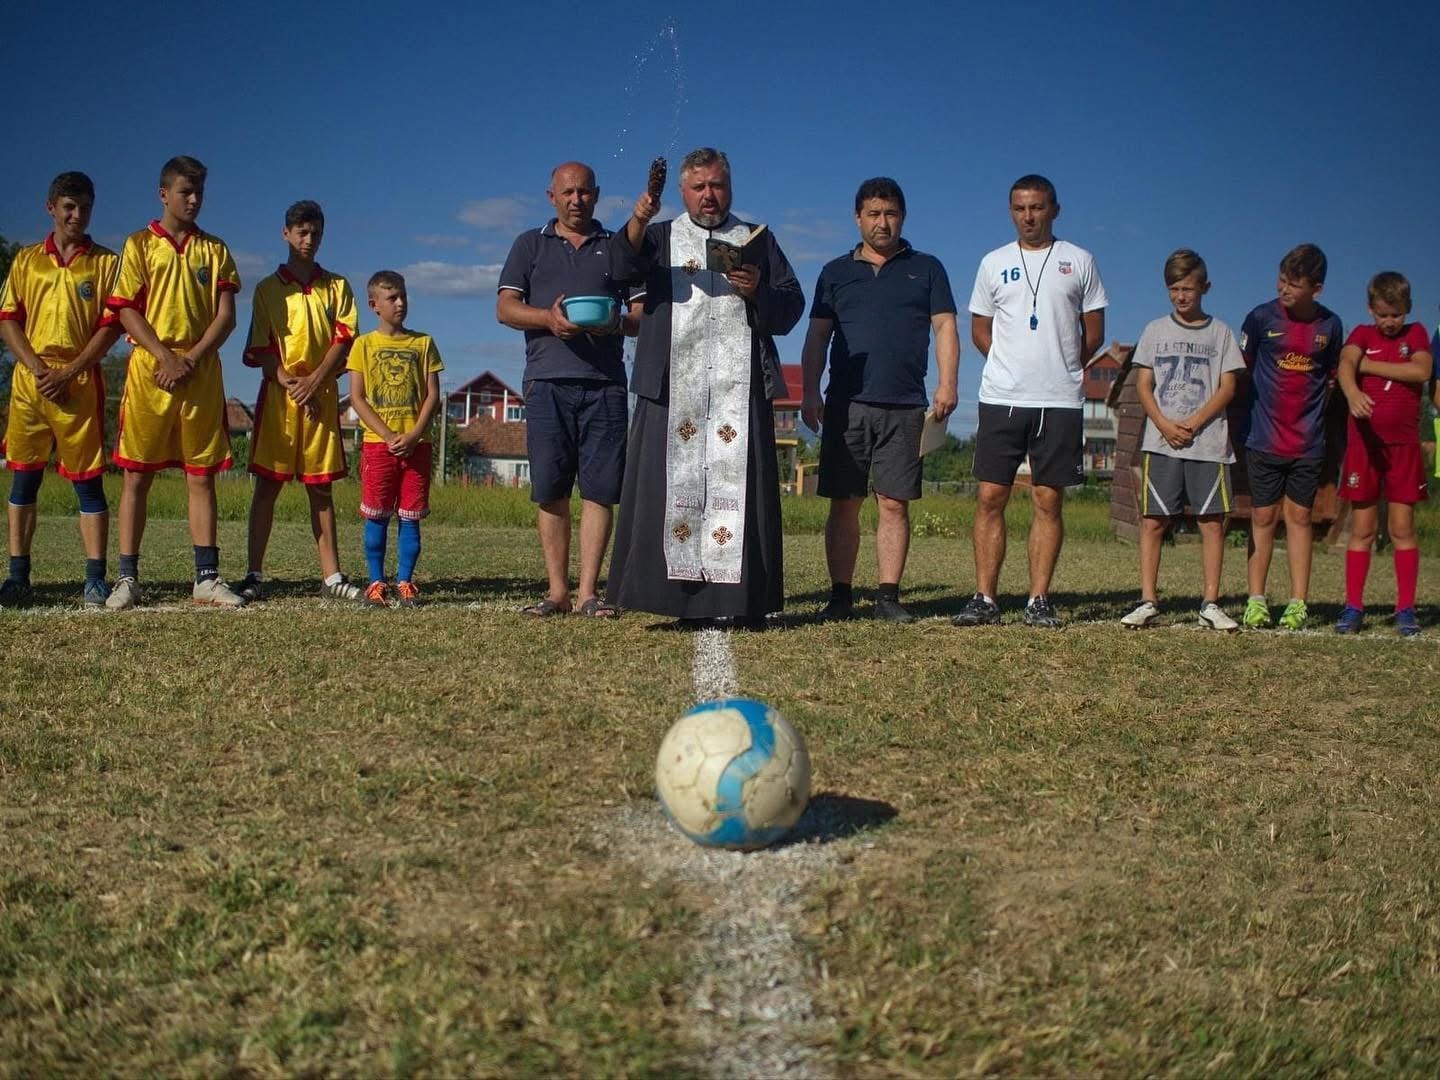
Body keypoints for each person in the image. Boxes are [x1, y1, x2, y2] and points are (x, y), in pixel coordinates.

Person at [608, 147, 805, 627]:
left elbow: (792, 305)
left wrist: (757, 288)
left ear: (730, 186)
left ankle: (737, 603)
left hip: (739, 391)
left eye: (716, 185)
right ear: (683, 191)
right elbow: (617, 268)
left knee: (738, 490)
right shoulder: (658, 236)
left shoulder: (756, 239)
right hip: (673, 390)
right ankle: (674, 598)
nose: (708, 196)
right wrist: (638, 216)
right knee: (668, 490)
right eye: (699, 188)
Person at [800, 177, 959, 623]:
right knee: (844, 501)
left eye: (890, 213)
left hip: (906, 404)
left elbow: (944, 326)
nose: (882, 222)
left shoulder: (927, 268)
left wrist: (948, 383)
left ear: (902, 217)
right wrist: (810, 389)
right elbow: (817, 336)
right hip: (847, 404)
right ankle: (841, 595)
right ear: (858, 218)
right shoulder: (834, 272)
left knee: (893, 502)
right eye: (873, 214)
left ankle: (888, 596)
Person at [953, 174, 1107, 628]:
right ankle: (984, 597)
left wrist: (1064, 368)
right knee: (990, 496)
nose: (1029, 216)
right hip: (1002, 397)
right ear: (1010, 211)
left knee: (1047, 499)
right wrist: (1009, 363)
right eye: (1020, 208)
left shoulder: (1079, 260)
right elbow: (980, 329)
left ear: (1054, 209)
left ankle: (1038, 600)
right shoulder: (992, 262)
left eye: (1037, 207)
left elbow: (1094, 332)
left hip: (1059, 400)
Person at [104, 155, 245, 609]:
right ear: (163, 194)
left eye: (200, 192)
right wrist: (165, 356)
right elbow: (126, 307)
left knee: (201, 476)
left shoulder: (215, 249)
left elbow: (226, 316)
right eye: (186, 191)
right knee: (136, 476)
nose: (194, 200)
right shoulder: (139, 245)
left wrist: (191, 358)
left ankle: (206, 577)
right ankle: (127, 578)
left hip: (200, 373)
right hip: (151, 373)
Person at [497, 162, 634, 618]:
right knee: (551, 490)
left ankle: (588, 593)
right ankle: (556, 592)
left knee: (600, 491)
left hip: (605, 386)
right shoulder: (530, 244)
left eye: (585, 192)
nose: (577, 200)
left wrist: (615, 320)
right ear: (551, 196)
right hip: (546, 382)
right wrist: (548, 320)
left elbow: (642, 314)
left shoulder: (618, 247)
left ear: (597, 195)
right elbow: (505, 307)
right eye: (568, 192)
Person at [0, 171, 122, 607]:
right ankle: (18, 576)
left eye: (85, 207)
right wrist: (36, 367)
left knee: (88, 483)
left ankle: (94, 577)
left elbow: (111, 327)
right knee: (24, 480)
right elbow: (9, 319)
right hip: (30, 385)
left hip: (79, 382)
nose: (77, 215)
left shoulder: (106, 263)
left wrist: (69, 372)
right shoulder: (27, 260)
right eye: (69, 206)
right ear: (50, 207)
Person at [238, 200, 362, 603]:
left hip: (321, 398)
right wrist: (293, 382)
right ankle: (254, 572)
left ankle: (332, 576)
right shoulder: (267, 290)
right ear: (286, 234)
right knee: (267, 488)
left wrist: (315, 380)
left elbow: (344, 340)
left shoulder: (337, 286)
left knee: (321, 490)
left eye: (316, 233)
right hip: (280, 399)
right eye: (302, 232)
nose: (309, 240)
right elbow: (262, 348)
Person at [1119, 250, 1244, 631]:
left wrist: (1193, 421)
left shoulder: (1220, 332)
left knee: (1211, 522)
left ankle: (1210, 602)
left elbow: (1228, 386)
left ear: (1204, 287)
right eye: (1174, 289)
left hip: (1208, 442)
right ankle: (1147, 600)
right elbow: (1143, 384)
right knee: (1154, 521)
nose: (1181, 296)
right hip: (1162, 443)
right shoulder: (1155, 330)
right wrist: (1163, 424)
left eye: (1188, 288)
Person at [1237, 244, 1343, 631]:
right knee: (1263, 517)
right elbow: (1240, 372)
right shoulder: (1260, 318)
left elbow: (1331, 378)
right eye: (1281, 280)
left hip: (1307, 442)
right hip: (1263, 438)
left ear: (1317, 289)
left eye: (1294, 285)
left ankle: (1298, 602)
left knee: (1300, 518)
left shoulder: (1330, 326)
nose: (1284, 289)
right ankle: (1256, 600)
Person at [1333, 272, 1433, 635]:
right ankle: (1353, 606)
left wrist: (1369, 366)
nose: (1389, 322)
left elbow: (1421, 370)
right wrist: (1353, 392)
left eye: (1396, 314)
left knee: (1402, 528)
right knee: (1363, 528)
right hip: (1365, 445)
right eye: (1383, 315)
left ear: (1407, 310)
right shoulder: (1361, 333)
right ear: (1370, 310)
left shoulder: (1417, 334)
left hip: (1403, 447)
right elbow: (1346, 365)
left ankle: (1405, 609)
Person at [345, 271, 442, 608]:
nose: (400, 303)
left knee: (411, 515)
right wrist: (387, 435)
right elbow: (357, 397)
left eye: (403, 296)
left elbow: (433, 395)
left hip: (418, 445)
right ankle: (375, 582)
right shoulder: (363, 345)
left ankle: (405, 581)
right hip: (378, 445)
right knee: (377, 515)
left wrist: (414, 434)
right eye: (392, 298)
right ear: (374, 305)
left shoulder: (424, 343)